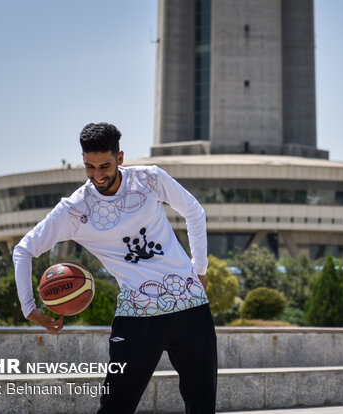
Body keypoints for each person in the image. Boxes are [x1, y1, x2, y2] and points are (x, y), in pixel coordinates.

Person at [13, 122, 217, 414]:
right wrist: (29, 308)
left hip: (190, 306)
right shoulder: (75, 209)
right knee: (115, 407)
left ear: (120, 158)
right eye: (90, 167)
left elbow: (194, 211)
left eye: (105, 166)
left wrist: (200, 269)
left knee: (202, 406)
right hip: (138, 315)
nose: (98, 175)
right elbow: (23, 250)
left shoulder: (149, 179)